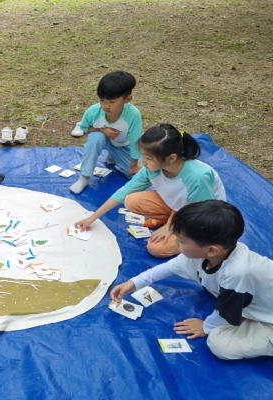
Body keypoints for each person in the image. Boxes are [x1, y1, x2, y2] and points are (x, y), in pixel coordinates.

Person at [111, 200, 273, 360]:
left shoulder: (236, 272)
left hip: (268, 318)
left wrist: (206, 326)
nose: (175, 242)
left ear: (211, 250)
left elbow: (226, 310)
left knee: (220, 345)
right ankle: (244, 314)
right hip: (252, 301)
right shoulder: (209, 254)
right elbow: (168, 268)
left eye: (181, 241)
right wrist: (133, 283)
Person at [75, 124, 226, 258]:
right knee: (131, 200)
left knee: (156, 249)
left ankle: (176, 229)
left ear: (171, 158)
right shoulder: (152, 168)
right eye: (142, 156)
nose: (143, 162)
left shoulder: (197, 177)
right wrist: (92, 217)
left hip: (202, 217)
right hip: (177, 207)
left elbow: (203, 212)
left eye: (148, 158)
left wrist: (171, 227)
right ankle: (169, 221)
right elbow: (125, 191)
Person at [70, 70, 142, 194]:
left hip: (122, 146)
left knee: (138, 178)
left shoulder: (133, 114)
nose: (106, 106)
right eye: (102, 100)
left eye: (112, 102)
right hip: (102, 140)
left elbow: (136, 140)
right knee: (95, 137)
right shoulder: (93, 111)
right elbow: (84, 128)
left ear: (128, 99)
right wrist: (101, 130)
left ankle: (113, 156)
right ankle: (84, 177)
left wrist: (134, 165)